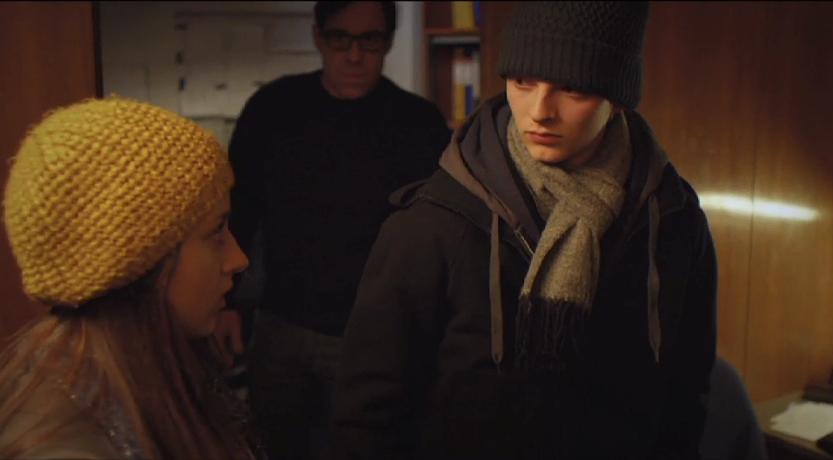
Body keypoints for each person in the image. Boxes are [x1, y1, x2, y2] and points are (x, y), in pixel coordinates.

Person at [330, 2, 717, 459]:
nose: (540, 111)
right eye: (522, 81)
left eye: (572, 88)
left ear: (616, 94)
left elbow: (685, 397)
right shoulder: (434, 221)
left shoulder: (673, 219)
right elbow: (367, 415)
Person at [214, 1, 451, 458]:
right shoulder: (273, 110)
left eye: (370, 40)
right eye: (341, 38)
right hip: (282, 324)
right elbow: (238, 211)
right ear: (318, 36)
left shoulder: (418, 123)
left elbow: (437, 237)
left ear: (389, 41)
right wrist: (226, 305)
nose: (354, 55)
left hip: (376, 333)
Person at [0, 98, 257, 459]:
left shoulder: (154, 370)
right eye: (216, 232)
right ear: (139, 262)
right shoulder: (67, 446)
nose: (237, 259)